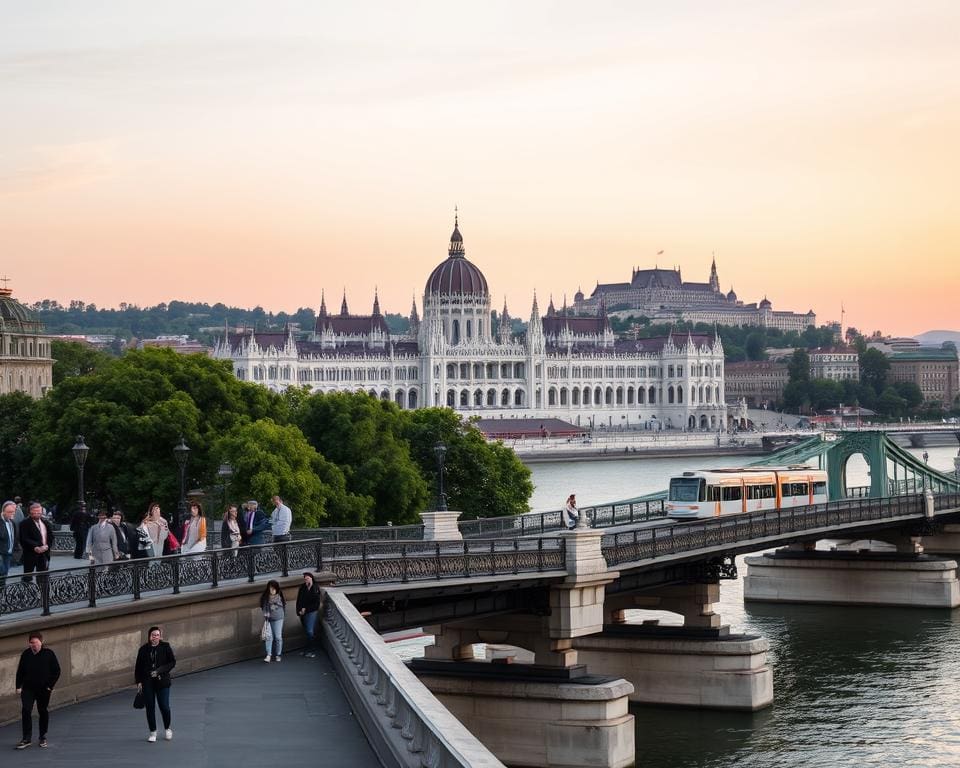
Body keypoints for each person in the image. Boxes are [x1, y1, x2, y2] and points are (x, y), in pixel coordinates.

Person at [15, 632, 61, 750]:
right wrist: (18, 686)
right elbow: (20, 671)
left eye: (35, 642)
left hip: (43, 689)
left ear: (41, 642)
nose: (33, 645)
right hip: (28, 688)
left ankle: (42, 736)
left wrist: (50, 686)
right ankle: (26, 738)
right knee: (26, 710)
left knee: (42, 711)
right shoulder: (26, 654)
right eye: (31, 643)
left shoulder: (48, 654)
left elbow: (56, 671)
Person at [134, 626, 176, 743]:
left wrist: (159, 670)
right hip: (147, 682)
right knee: (150, 708)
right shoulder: (143, 650)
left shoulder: (165, 647)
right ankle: (153, 732)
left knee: (164, 707)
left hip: (162, 682)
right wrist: (138, 682)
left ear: (160, 636)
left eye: (157, 635)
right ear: (149, 636)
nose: (155, 637)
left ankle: (167, 728)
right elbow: (138, 668)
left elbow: (172, 662)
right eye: (153, 635)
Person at [19, 502, 54, 582]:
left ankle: (43, 592)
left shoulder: (45, 522)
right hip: (30, 553)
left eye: (39, 512)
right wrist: (35, 547)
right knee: (27, 576)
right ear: (30, 512)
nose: (37, 514)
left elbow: (50, 536)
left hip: (44, 554)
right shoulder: (24, 523)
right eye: (34, 512)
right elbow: (24, 538)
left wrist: (47, 546)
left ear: (41, 512)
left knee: (42, 576)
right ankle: (27, 591)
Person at [296, 572, 321, 658]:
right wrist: (299, 610)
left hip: (311, 611)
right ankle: (307, 649)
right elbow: (299, 600)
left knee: (310, 631)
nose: (306, 580)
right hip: (303, 612)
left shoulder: (315, 588)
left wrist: (306, 609)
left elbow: (316, 603)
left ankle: (312, 649)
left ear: (311, 578)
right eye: (305, 578)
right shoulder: (303, 587)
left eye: (308, 578)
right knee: (306, 631)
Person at [260, 580, 285, 662]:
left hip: (278, 618)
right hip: (268, 619)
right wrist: (266, 614)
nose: (272, 590)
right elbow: (263, 607)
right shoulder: (265, 597)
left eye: (274, 588)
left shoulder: (279, 597)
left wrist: (273, 607)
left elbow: (281, 607)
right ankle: (269, 655)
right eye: (271, 588)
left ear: (277, 589)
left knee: (278, 637)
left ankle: (278, 654)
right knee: (269, 637)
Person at [1, 500, 21, 581]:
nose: (12, 514)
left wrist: (16, 551)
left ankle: (2, 592)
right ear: (3, 511)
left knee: (4, 575)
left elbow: (14, 538)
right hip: (1, 554)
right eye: (9, 512)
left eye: (13, 512)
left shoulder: (12, 522)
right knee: (2, 573)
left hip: (8, 554)